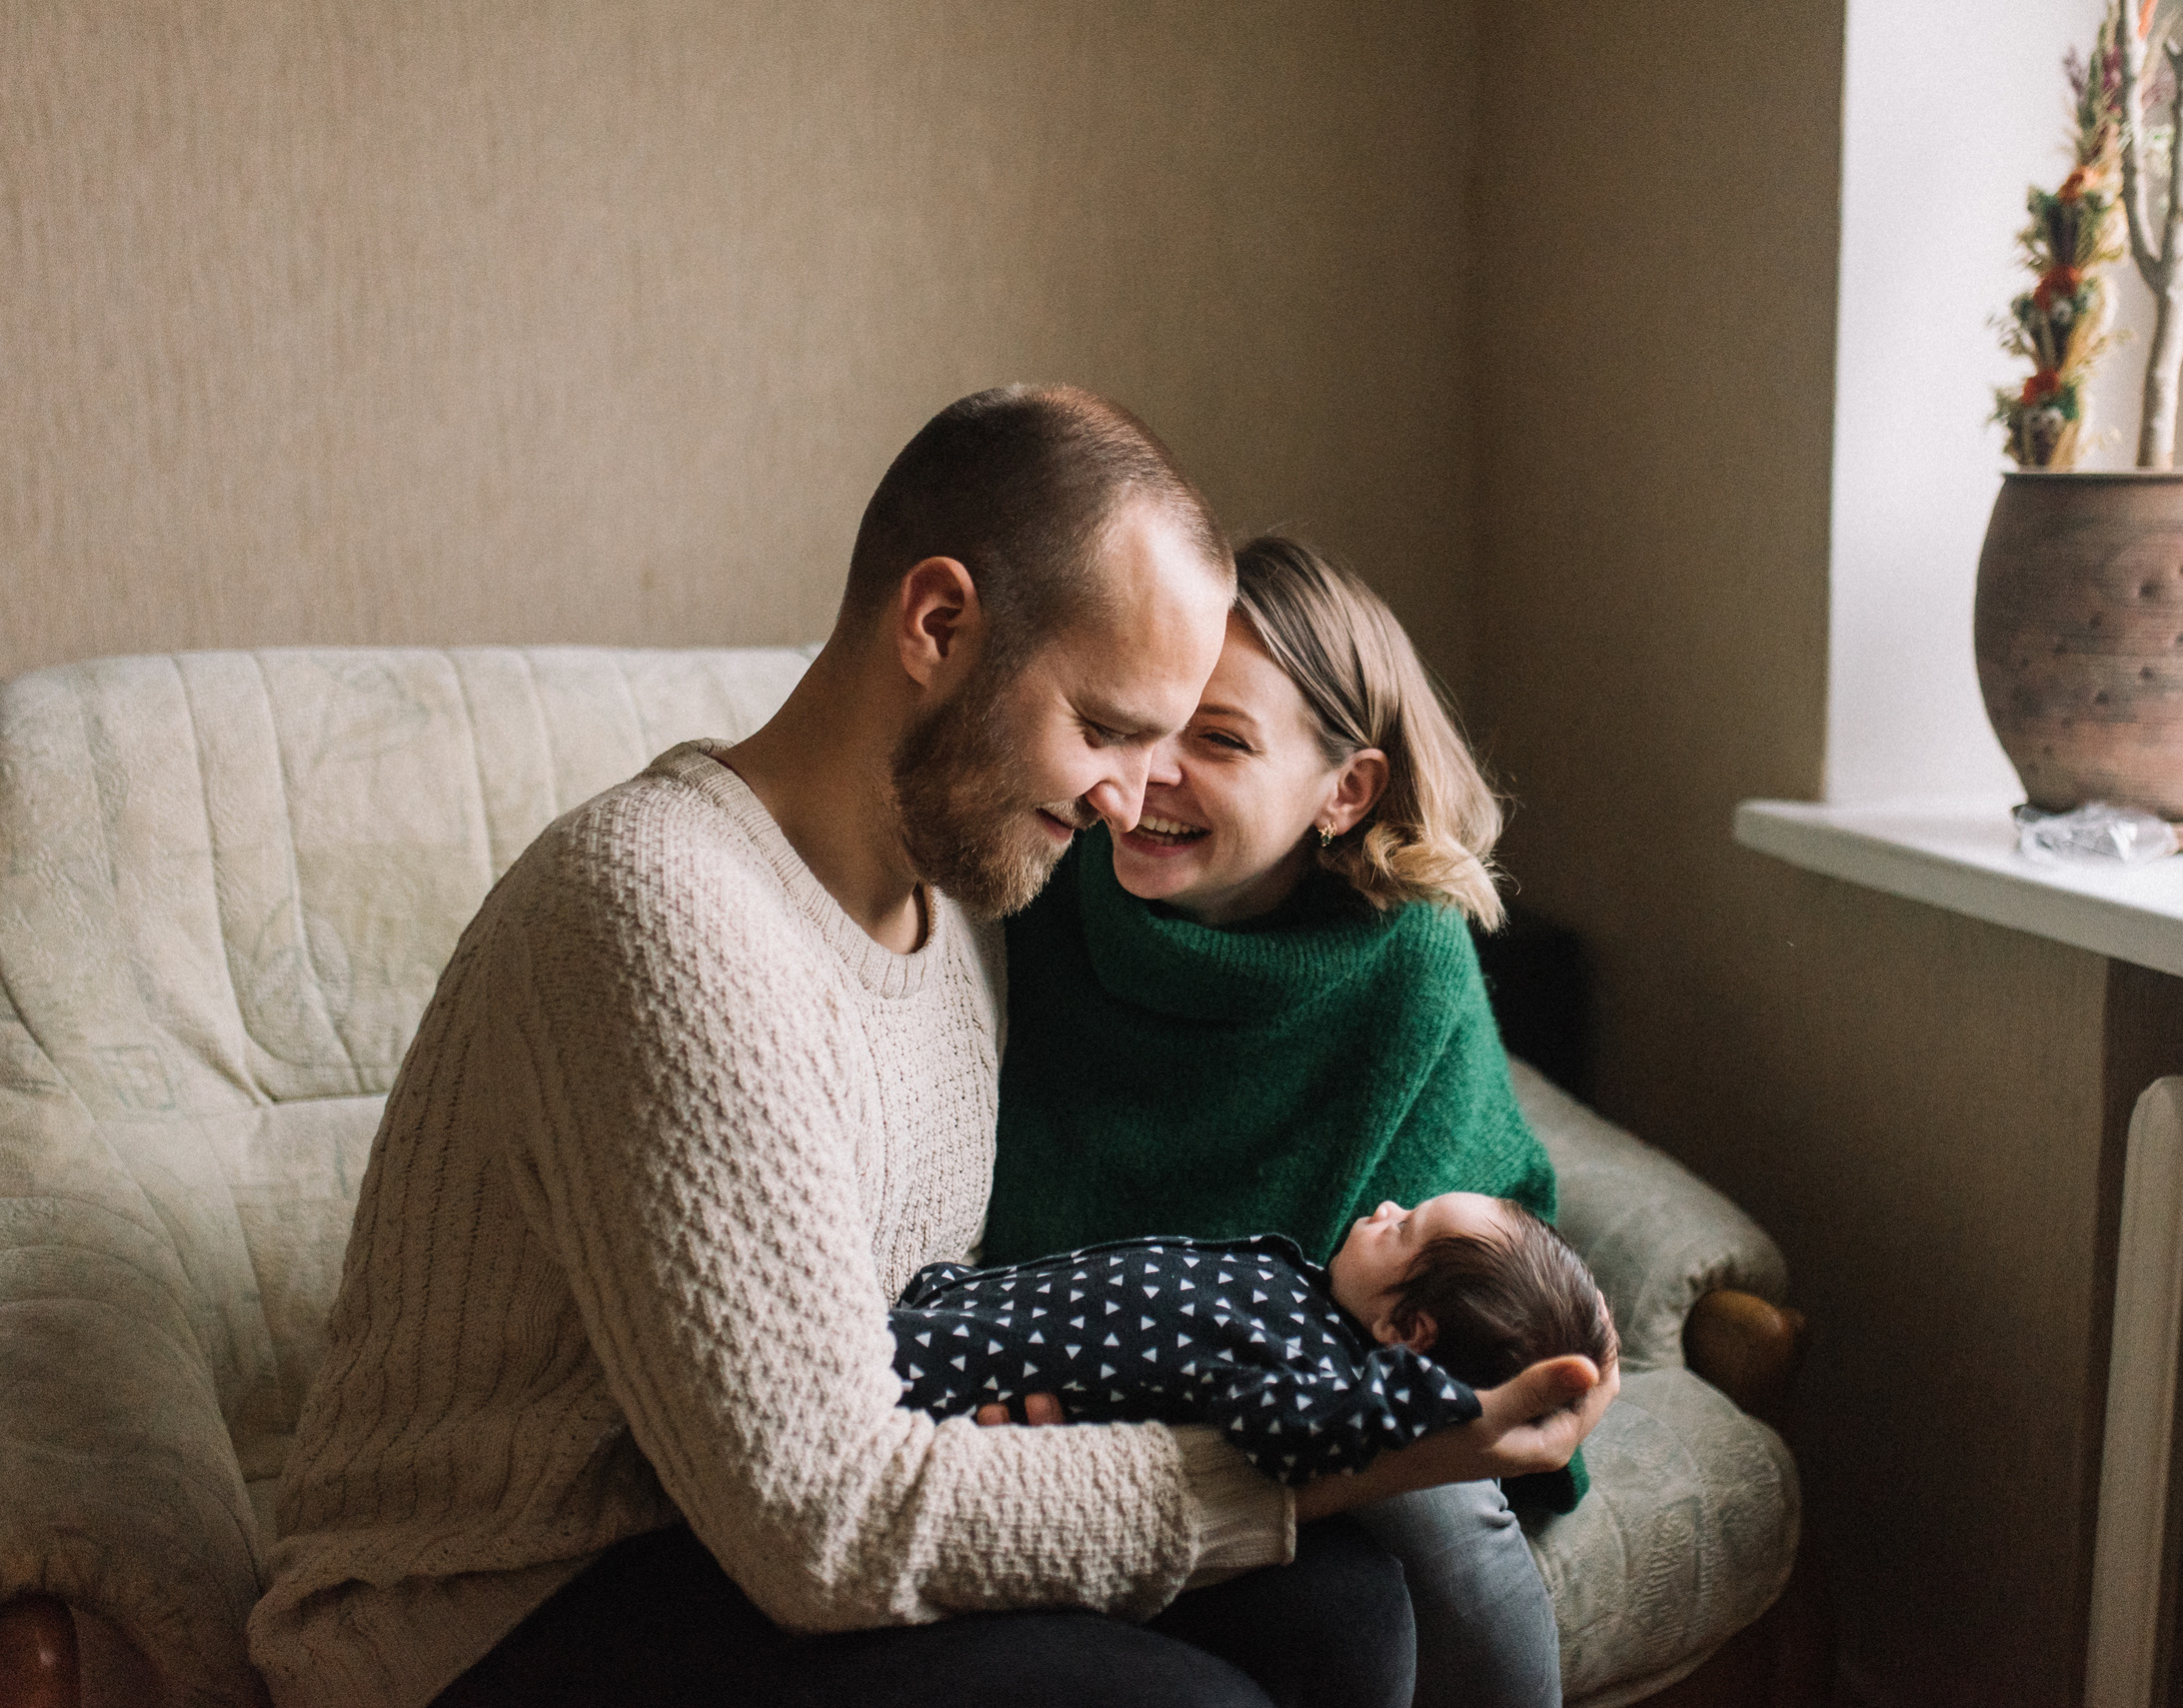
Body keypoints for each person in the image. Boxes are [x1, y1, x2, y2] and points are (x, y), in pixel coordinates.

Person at [246, 388, 1614, 1708]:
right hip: (505, 1605)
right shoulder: (659, 912)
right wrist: (1308, 1476)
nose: (1131, 798)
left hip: (738, 1529)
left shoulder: (966, 906)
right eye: (1107, 729)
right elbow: (825, 1522)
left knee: (1347, 1612)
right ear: (941, 623)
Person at [982, 534, 1586, 1708]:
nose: (1149, 774)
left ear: (1344, 789)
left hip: (1337, 1367)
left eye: (1218, 740)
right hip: (1099, 1355)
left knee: (1418, 1512)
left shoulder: (1402, 955)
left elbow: (1439, 1283)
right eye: (1143, 722)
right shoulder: (1035, 885)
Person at [892, 1194, 1619, 1484]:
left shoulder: (1319, 1374)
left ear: (1405, 1334)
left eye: (1404, 1229)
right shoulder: (1306, 1293)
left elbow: (1282, 1427)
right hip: (972, 1306)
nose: (1387, 1206)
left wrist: (1419, 1403)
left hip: (956, 1383)